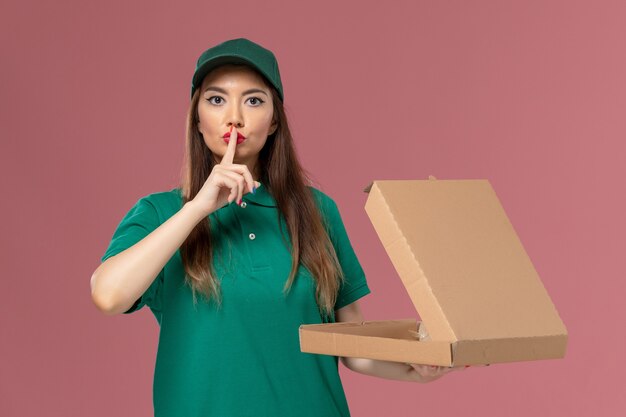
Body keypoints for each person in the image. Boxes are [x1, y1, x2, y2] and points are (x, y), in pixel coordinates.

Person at [90, 38, 459, 417]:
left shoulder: (318, 212)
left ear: (275, 119)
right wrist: (198, 207)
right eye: (216, 100)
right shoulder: (161, 212)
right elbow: (108, 295)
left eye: (253, 100)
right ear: (197, 119)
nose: (235, 117)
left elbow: (350, 344)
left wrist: (415, 369)